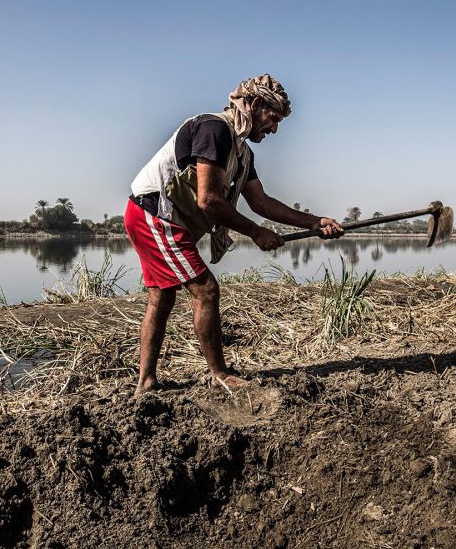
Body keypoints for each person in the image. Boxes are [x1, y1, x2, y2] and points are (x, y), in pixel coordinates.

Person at [124, 74, 344, 395]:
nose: (274, 129)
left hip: (163, 218)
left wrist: (314, 222)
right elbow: (209, 200)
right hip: (154, 214)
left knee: (163, 296)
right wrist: (256, 233)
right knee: (206, 290)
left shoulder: (242, 154)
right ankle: (220, 375)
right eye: (273, 118)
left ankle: (146, 382)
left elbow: (262, 202)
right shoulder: (215, 130)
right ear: (255, 105)